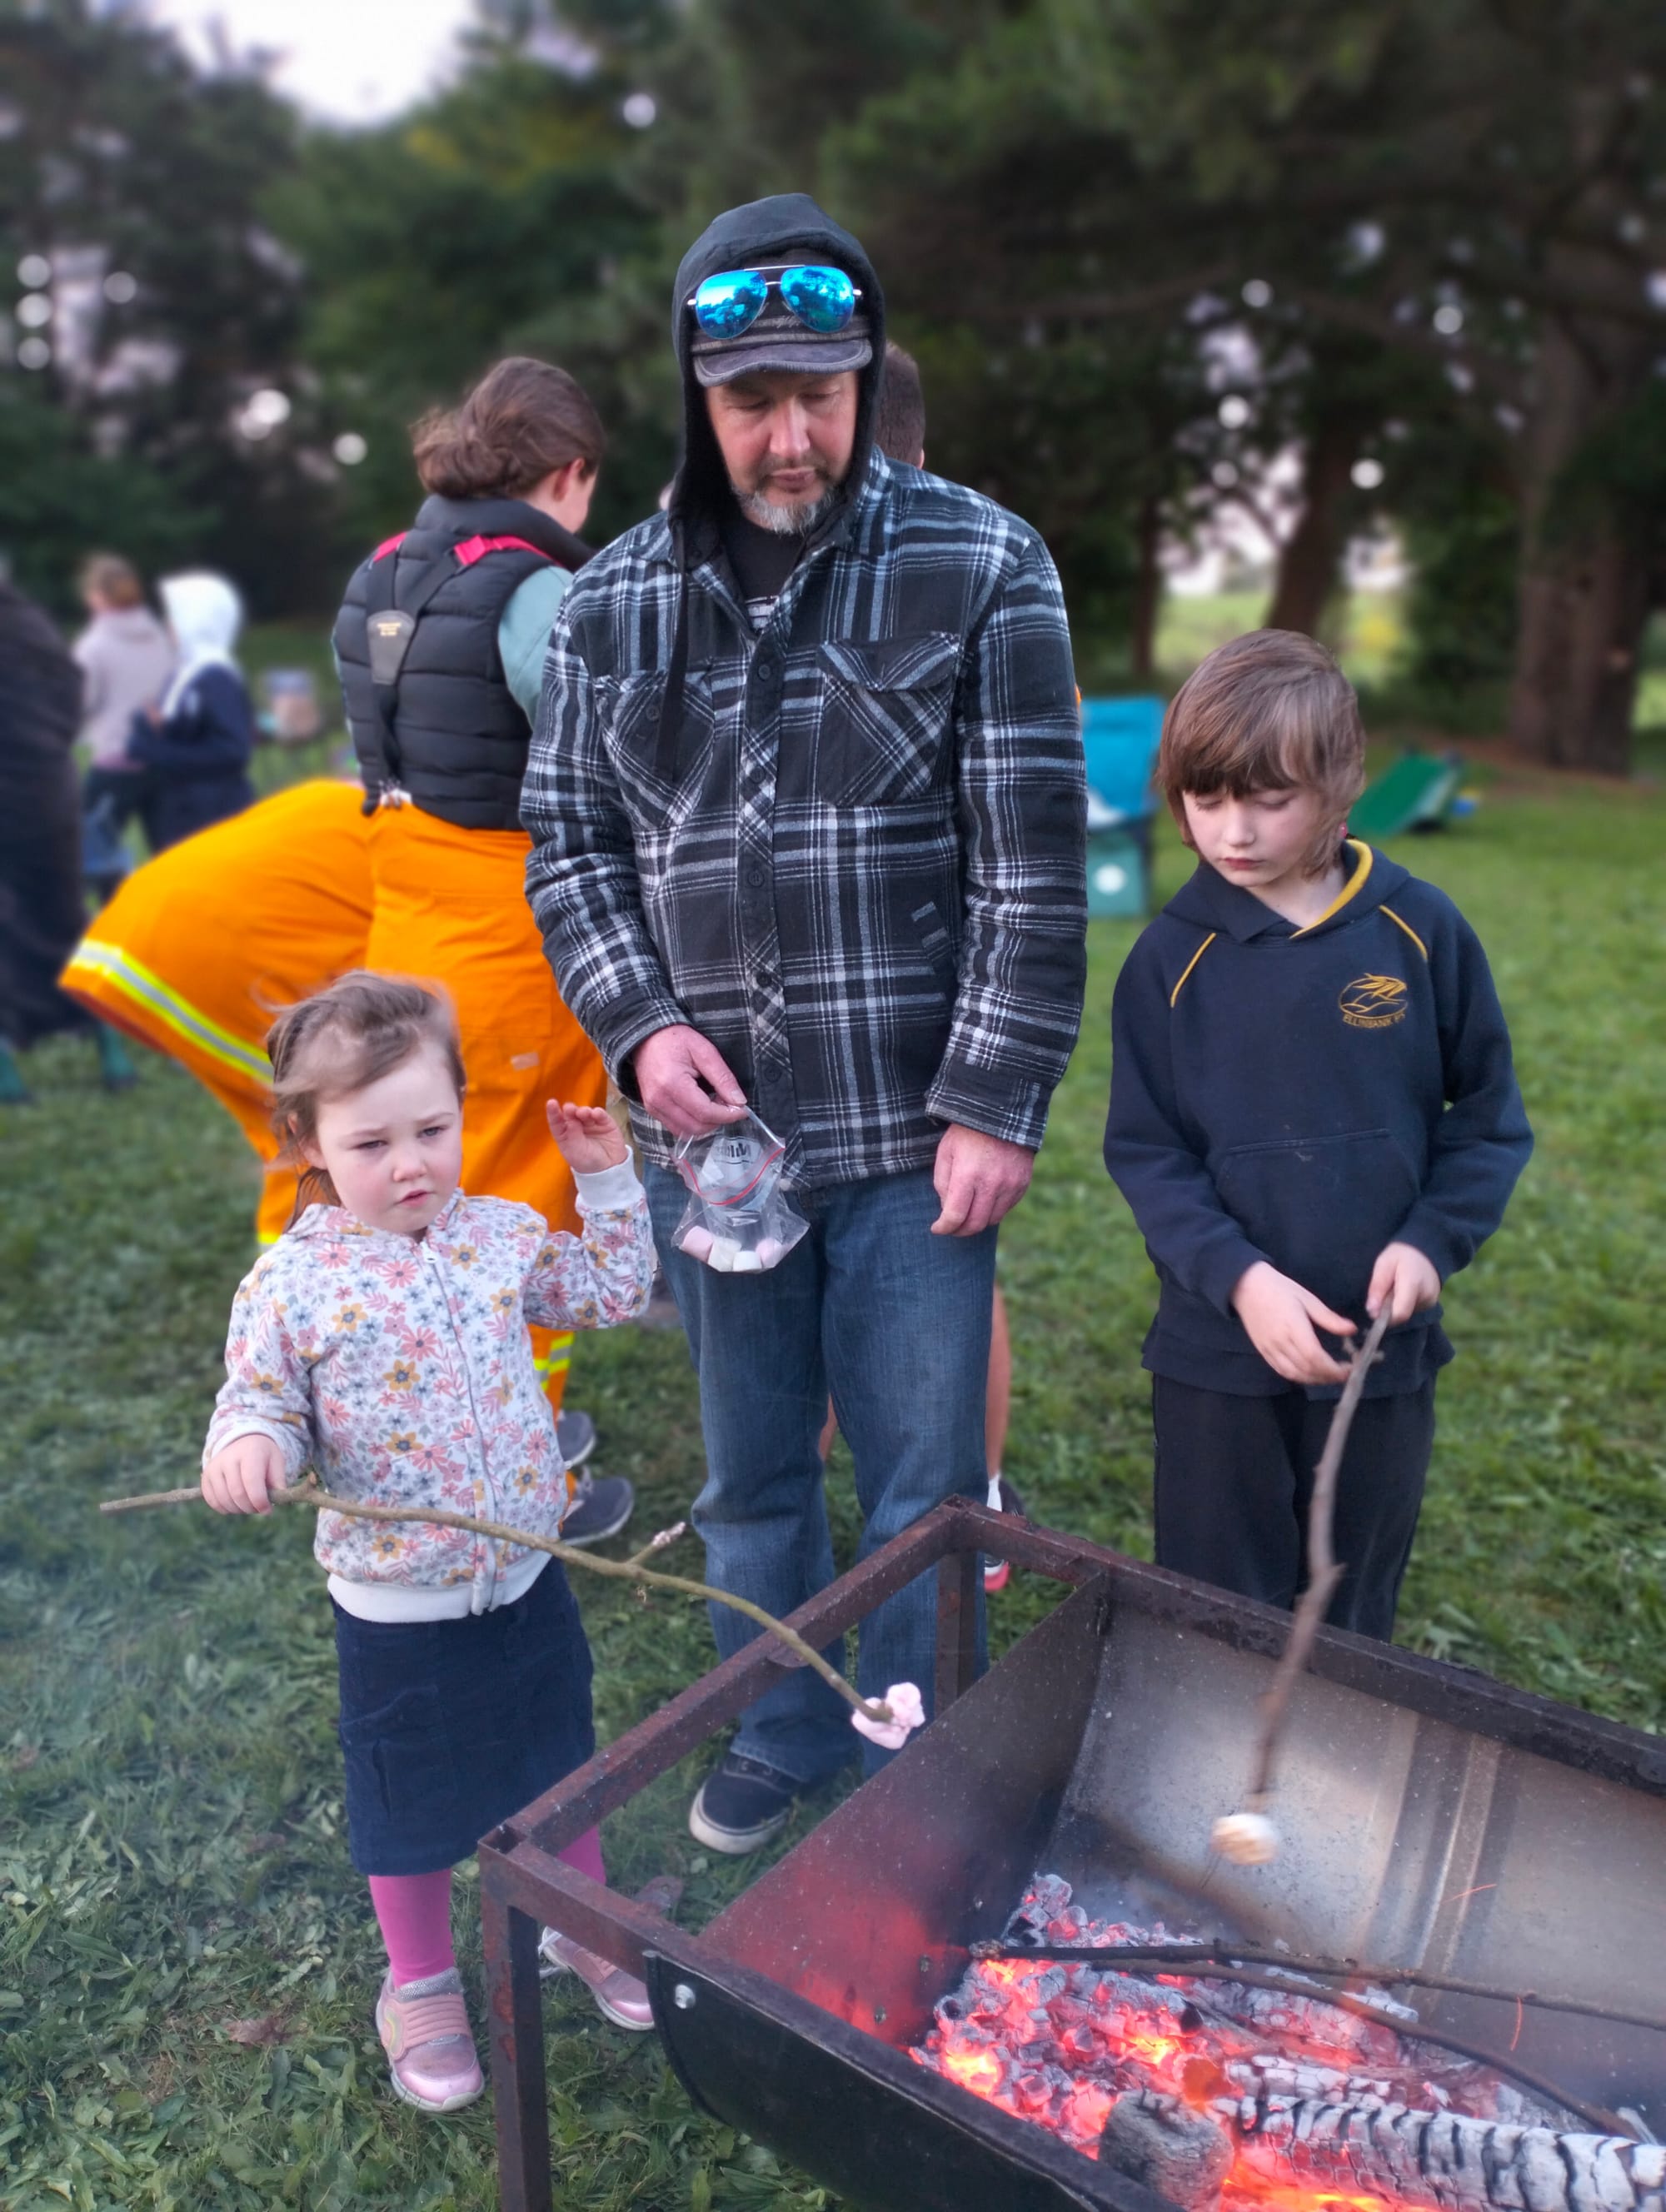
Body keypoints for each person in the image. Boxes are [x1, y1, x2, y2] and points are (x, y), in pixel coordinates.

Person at [522, 193, 1086, 1855]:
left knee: (926, 1485)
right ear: (695, 396)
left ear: (863, 377)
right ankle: (778, 1726)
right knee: (751, 1476)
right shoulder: (613, 600)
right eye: (754, 400)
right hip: (720, 1155)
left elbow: (1033, 860)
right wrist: (637, 1025)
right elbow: (569, 848)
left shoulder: (983, 563)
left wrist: (995, 1096)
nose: (790, 437)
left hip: (917, 1131)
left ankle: (914, 1752)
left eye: (821, 397)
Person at [198, 972, 657, 2113]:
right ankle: (419, 1982)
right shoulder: (291, 1284)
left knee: (561, 1757)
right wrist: (250, 1443)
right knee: (406, 1799)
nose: (410, 1164)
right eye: (371, 1143)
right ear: (306, 1140)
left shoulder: (497, 1235)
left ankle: (577, 1918)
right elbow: (259, 1399)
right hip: (396, 1610)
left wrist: (607, 1180)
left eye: (432, 1130)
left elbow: (610, 1292)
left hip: (528, 1578)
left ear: (460, 1111)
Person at [1103, 630, 1532, 1639]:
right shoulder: (1165, 961)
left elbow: (1485, 1122)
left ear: (1340, 785)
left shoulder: (1421, 930)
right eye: (1204, 799)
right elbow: (1147, 1153)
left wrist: (1428, 1243)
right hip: (1216, 1351)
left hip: (1375, 1352)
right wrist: (1240, 1281)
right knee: (1212, 1609)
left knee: (1348, 1612)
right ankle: (1218, 1742)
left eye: (1266, 799)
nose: (1232, 831)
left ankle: (1330, 1739)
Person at [332, 356, 627, 1540]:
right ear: (570, 473)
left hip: (403, 922)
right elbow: (607, 755)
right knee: (516, 1212)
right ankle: (517, 1487)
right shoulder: (535, 589)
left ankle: (412, 1447)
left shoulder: (379, 572)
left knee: (418, 1207)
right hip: (511, 942)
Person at [840, 336, 1021, 1593]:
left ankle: (961, 1493)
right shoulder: (984, 567)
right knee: (949, 1270)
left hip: (922, 1029)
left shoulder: (977, 571)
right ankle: (968, 1488)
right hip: (935, 1019)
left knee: (933, 1269)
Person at [61, 780, 376, 1244]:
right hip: (227, 956)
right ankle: (312, 1273)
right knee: (338, 1130)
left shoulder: (388, 792)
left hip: (142, 927)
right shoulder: (455, 837)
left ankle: (297, 1267)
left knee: (304, 1135)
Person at [0, 580, 136, 1102]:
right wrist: (47, 744)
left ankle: (8, 1072)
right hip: (48, 787)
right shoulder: (28, 622)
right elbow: (70, 690)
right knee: (64, 912)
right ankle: (110, 1050)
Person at [126, 571, 256, 853]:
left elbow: (232, 751)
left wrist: (155, 750)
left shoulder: (216, 678)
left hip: (210, 814)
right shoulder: (188, 672)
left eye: (175, 616)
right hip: (184, 811)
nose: (167, 623)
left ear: (198, 621)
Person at [71, 553, 173, 899]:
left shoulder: (93, 646)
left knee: (95, 849)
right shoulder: (159, 636)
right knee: (167, 852)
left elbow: (81, 700)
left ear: (99, 596)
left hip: (116, 761)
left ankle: (114, 912)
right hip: (163, 757)